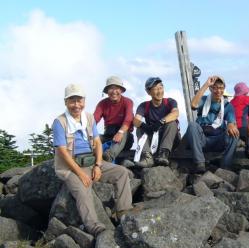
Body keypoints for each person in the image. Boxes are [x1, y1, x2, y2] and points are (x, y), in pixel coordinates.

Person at [53, 84, 135, 237]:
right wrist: (81, 174)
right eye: (72, 101)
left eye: (79, 100)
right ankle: (94, 226)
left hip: (91, 162)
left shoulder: (89, 118)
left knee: (121, 172)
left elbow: (97, 142)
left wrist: (98, 165)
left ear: (84, 101)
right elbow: (62, 151)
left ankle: (123, 212)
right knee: (83, 191)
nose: (76, 105)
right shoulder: (60, 122)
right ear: (66, 102)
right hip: (70, 167)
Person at [186, 75, 239, 173]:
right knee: (192, 125)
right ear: (210, 89)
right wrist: (206, 85)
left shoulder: (227, 105)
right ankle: (200, 163)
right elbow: (193, 104)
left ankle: (225, 166)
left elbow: (232, 121)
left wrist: (231, 124)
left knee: (234, 133)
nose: (218, 91)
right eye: (215, 88)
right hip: (202, 138)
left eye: (221, 88)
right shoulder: (204, 100)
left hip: (218, 138)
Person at [133, 77, 180, 168]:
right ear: (148, 92)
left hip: (171, 139)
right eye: (155, 89)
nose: (159, 91)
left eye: (160, 87)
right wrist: (145, 126)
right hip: (154, 139)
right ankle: (147, 157)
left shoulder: (170, 102)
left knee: (172, 123)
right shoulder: (144, 106)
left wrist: (161, 122)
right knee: (139, 128)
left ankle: (164, 154)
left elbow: (175, 113)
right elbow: (136, 121)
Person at [94, 76, 134, 162]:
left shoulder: (128, 102)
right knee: (95, 138)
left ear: (121, 90)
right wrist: (90, 135)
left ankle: (108, 156)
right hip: (108, 135)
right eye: (111, 88)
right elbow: (94, 120)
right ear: (107, 91)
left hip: (125, 136)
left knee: (123, 133)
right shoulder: (102, 104)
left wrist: (120, 132)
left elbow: (129, 118)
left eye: (117, 88)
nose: (114, 91)